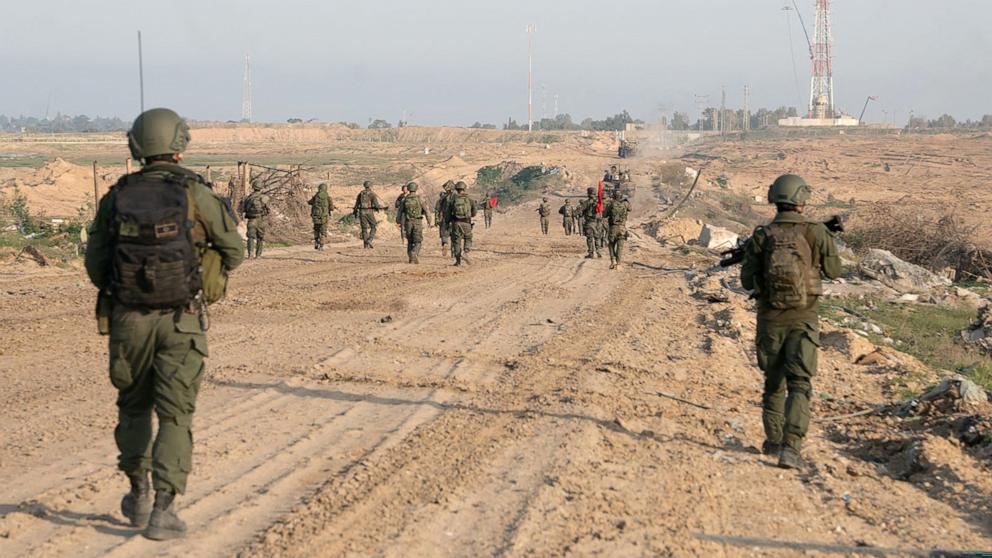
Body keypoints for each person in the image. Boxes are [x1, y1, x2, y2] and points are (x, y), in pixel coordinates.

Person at [85, 107, 244, 540]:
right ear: (180, 143)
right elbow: (234, 250)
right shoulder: (196, 194)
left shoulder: (116, 195)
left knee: (133, 408)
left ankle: (136, 494)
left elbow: (96, 267)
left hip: (128, 320)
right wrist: (205, 275)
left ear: (136, 145)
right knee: (175, 417)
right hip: (182, 320)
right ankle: (163, 511)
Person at [740, 174, 841, 469]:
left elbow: (747, 281)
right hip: (804, 318)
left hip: (770, 318)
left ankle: (773, 441)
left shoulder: (762, 235)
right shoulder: (816, 232)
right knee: (799, 383)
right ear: (801, 199)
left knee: (773, 384)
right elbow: (834, 271)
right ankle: (791, 448)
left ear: (775, 198)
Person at [400, 182, 433, 263]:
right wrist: (429, 221)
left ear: (408, 189)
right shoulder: (420, 199)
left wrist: (399, 222)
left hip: (408, 222)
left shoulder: (404, 199)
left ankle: (411, 259)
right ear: (416, 189)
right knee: (418, 241)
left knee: (410, 241)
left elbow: (400, 212)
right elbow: (427, 211)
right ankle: (414, 253)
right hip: (417, 221)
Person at [446, 181, 477, 266]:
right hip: (466, 222)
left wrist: (447, 225)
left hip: (456, 223)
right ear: (464, 188)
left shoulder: (453, 200)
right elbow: (474, 213)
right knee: (468, 238)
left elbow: (448, 214)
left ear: (456, 189)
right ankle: (465, 251)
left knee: (456, 242)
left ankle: (458, 261)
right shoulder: (470, 199)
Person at [241, 180, 270, 258]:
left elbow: (243, 209)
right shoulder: (264, 197)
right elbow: (268, 209)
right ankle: (258, 255)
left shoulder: (248, 198)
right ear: (261, 188)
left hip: (251, 220)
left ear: (253, 187)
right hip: (261, 219)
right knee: (260, 237)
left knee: (250, 237)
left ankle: (250, 254)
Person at [352, 180, 385, 248]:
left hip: (361, 212)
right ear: (370, 186)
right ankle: (370, 240)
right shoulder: (372, 194)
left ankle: (365, 245)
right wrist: (380, 208)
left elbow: (356, 205)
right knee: (373, 226)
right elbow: (376, 205)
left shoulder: (360, 194)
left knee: (364, 229)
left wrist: (355, 212)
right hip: (369, 212)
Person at [604, 188, 630, 270]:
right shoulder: (625, 203)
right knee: (620, 246)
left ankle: (613, 260)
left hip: (613, 228)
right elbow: (630, 209)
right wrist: (626, 201)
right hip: (622, 228)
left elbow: (604, 215)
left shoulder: (610, 204)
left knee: (611, 244)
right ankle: (619, 264)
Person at [578, 187, 602, 259]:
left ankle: (591, 253)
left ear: (588, 193)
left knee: (590, 238)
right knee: (597, 237)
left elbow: (579, 210)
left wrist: (574, 213)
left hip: (589, 222)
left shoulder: (587, 202)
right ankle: (598, 252)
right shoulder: (599, 202)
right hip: (598, 223)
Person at [308, 183, 334, 250]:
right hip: (324, 217)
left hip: (316, 216)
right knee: (323, 231)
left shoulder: (316, 196)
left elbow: (309, 202)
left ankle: (316, 241)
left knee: (316, 229)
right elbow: (331, 208)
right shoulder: (328, 197)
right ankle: (321, 246)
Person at [436, 181, 454, 253]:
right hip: (455, 219)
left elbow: (438, 209)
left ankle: (445, 243)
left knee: (444, 234)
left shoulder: (443, 197)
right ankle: (454, 250)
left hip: (445, 218)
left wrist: (437, 219)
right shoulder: (458, 196)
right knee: (454, 236)